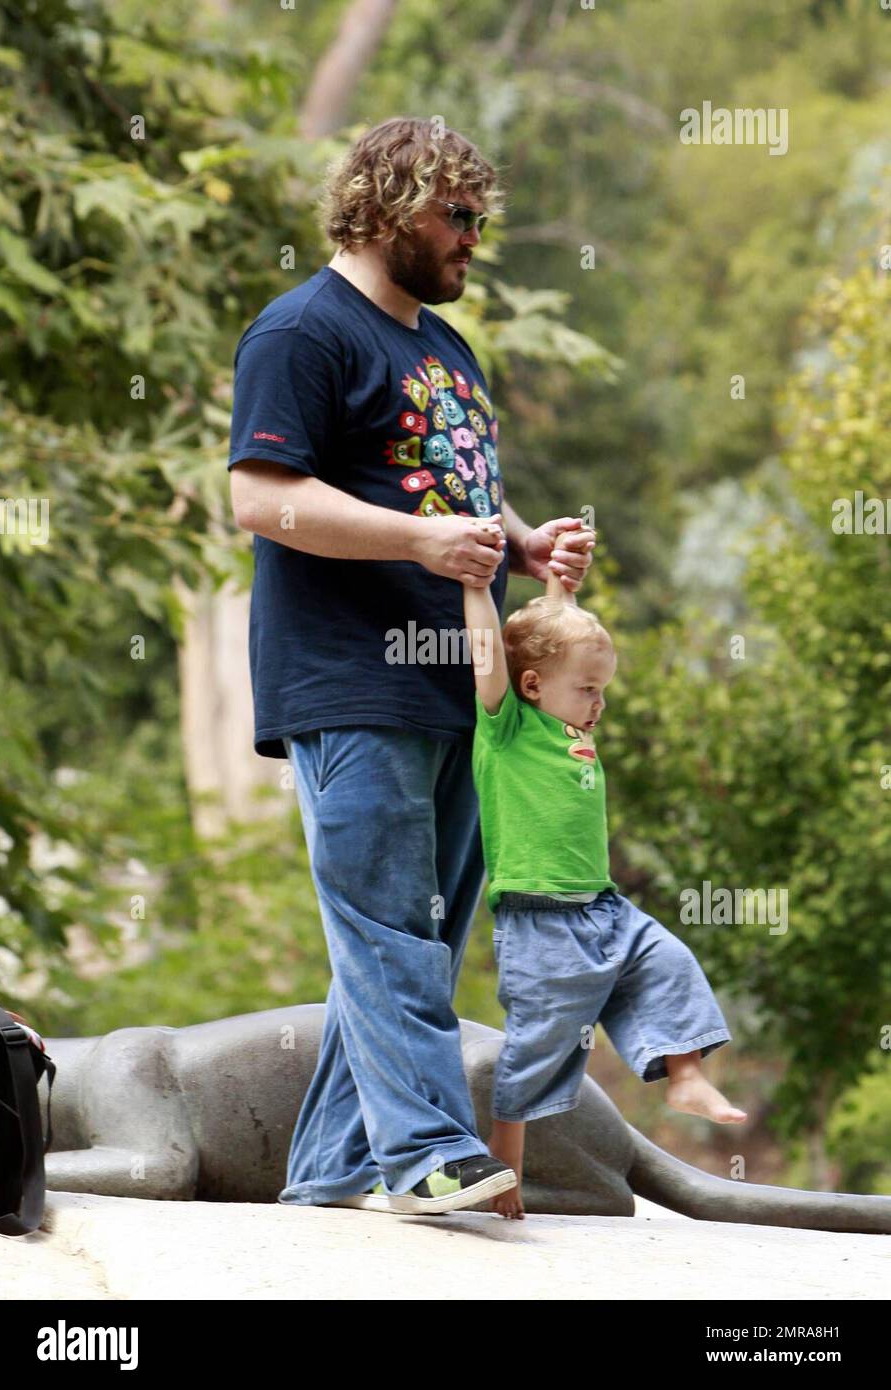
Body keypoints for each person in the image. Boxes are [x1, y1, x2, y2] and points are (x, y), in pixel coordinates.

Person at [227, 117, 595, 1215]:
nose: (474, 238)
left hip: (459, 689)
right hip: (351, 682)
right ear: (388, 205)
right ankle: (433, 1153)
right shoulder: (300, 332)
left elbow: (447, 486)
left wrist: (519, 541)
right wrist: (420, 542)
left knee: (414, 946)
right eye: (458, 216)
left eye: (481, 218)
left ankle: (330, 1183)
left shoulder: (443, 345)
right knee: (388, 926)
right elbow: (261, 497)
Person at [462, 523, 747, 1219]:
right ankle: (507, 1163)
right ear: (532, 685)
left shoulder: (571, 732)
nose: (599, 705)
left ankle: (685, 1074)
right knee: (539, 1045)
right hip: (538, 921)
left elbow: (555, 646)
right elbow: (487, 661)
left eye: (602, 690)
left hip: (603, 907)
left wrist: (561, 590)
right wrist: (476, 587)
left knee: (669, 961)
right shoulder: (508, 729)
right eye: (588, 689)